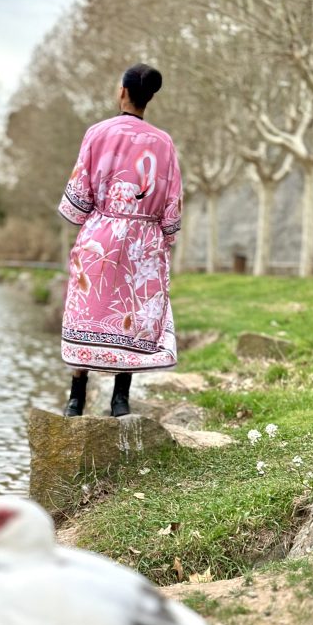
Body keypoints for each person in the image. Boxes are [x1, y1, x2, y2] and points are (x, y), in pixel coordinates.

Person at [58, 63, 183, 418]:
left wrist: (92, 218)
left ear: (122, 92)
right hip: (143, 240)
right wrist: (165, 233)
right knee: (132, 311)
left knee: (87, 308)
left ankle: (76, 397)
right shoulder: (164, 143)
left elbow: (79, 197)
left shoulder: (97, 133)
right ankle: (120, 399)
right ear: (149, 98)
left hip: (103, 230)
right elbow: (172, 203)